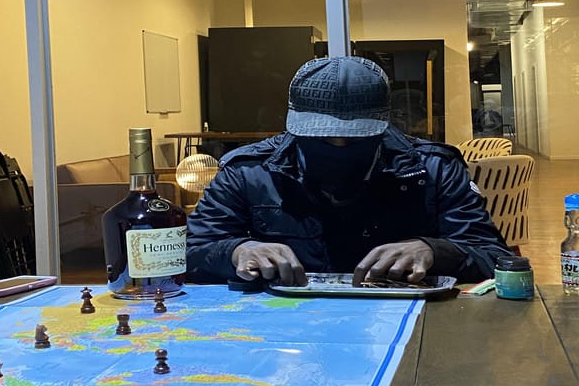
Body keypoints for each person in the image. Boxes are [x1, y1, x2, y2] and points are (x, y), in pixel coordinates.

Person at [186, 56, 512, 286]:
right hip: (283, 327)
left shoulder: (434, 169)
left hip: (410, 323)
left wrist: (434, 251)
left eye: (356, 138)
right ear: (294, 125)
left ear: (383, 125)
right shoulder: (248, 172)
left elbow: (495, 258)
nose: (339, 146)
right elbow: (186, 254)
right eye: (322, 138)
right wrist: (238, 251)